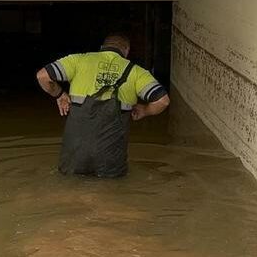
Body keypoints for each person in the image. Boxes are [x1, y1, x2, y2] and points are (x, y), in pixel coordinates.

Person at [36, 34, 170, 178]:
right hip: (110, 159)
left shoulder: (79, 60)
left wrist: (60, 94)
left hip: (75, 157)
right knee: (110, 190)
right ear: (126, 51)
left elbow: (42, 76)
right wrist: (144, 110)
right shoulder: (136, 72)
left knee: (69, 185)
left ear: (102, 48)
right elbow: (163, 101)